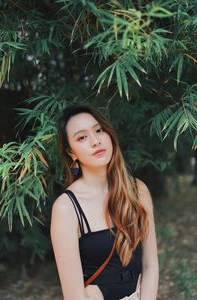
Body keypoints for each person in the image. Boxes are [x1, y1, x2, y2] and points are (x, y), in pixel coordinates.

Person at [50, 104, 159, 300]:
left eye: (99, 130)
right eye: (81, 137)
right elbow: (74, 296)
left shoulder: (138, 190)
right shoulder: (66, 207)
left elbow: (150, 264)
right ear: (71, 152)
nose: (95, 141)